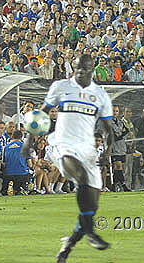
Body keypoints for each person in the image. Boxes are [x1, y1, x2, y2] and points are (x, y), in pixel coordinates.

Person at [21, 54, 115, 263]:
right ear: (74, 67)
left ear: (93, 69)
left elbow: (109, 130)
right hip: (62, 144)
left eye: (85, 69)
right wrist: (28, 141)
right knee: (80, 178)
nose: (80, 72)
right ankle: (90, 233)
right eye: (77, 68)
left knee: (91, 205)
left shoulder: (100, 95)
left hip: (87, 149)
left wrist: (107, 152)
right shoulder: (61, 86)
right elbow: (40, 116)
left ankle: (68, 245)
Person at [1, 130, 33, 195]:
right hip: (22, 174)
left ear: (12, 137)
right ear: (21, 137)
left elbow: (4, 162)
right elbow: (30, 164)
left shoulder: (5, 147)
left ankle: (8, 188)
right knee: (33, 172)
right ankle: (25, 188)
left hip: (8, 174)